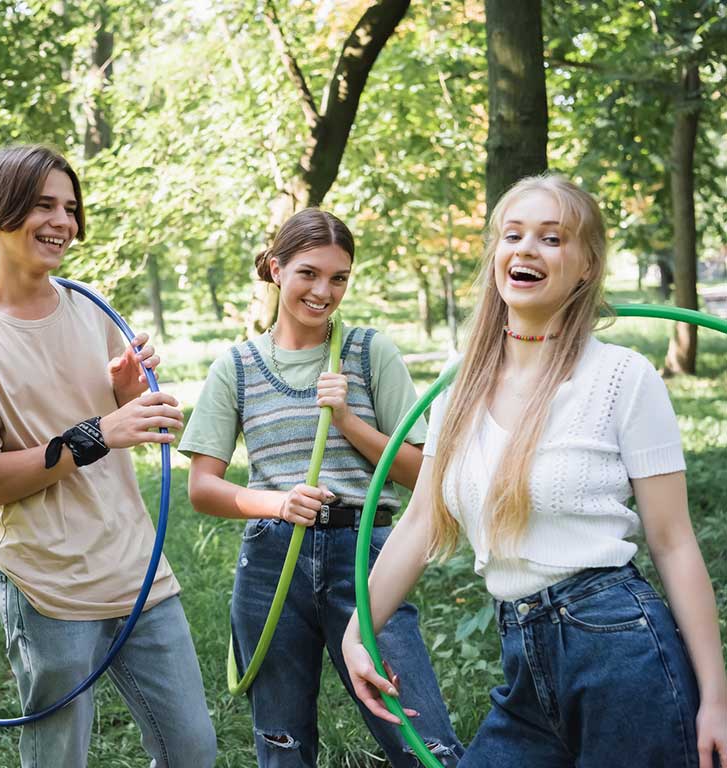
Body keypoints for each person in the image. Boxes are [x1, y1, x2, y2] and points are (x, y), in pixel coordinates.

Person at [342, 175, 727, 768]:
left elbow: (674, 543)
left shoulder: (622, 377)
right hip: (524, 661)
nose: (526, 249)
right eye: (513, 234)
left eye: (552, 238)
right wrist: (357, 632)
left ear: (586, 265)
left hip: (621, 652)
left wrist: (715, 696)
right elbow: (419, 522)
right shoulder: (458, 384)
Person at [0, 144, 217, 768]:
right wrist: (98, 432)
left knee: (193, 749)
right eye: (43, 205)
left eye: (70, 207)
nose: (62, 222)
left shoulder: (89, 304)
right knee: (58, 759)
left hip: (137, 567)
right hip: (47, 585)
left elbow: (114, 419)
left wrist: (128, 391)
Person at [179, 208, 463, 767]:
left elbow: (421, 474)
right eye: (308, 273)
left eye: (338, 278)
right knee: (281, 743)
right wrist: (279, 503)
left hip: (364, 555)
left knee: (423, 739)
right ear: (276, 269)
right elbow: (202, 489)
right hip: (272, 559)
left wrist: (350, 421)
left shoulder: (369, 352)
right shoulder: (236, 367)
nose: (323, 291)